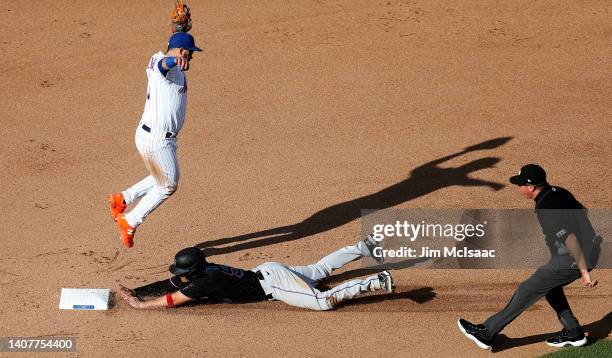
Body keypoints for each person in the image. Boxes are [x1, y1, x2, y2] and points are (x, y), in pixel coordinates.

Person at [458, 164, 601, 350]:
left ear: (531, 187)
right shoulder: (559, 192)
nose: (519, 188)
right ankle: (574, 332)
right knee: (549, 287)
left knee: (527, 289)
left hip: (573, 259)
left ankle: (486, 333)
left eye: (521, 185)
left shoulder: (546, 209)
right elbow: (583, 211)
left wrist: (584, 271)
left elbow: (571, 239)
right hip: (590, 249)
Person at [118, 236, 394, 310]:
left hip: (274, 285)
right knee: (320, 270)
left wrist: (141, 305)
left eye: (182, 271)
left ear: (192, 271)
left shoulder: (206, 280)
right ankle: (363, 246)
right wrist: (139, 290)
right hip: (269, 271)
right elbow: (171, 283)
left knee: (322, 301)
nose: (179, 274)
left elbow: (172, 299)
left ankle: (375, 281)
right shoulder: (205, 269)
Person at [108, 32, 202, 248]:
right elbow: (164, 64)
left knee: (162, 175)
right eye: (190, 53)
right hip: (157, 140)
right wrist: (173, 60)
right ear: (181, 51)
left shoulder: (168, 62)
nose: (192, 58)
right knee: (168, 184)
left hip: (151, 136)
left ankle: (121, 199)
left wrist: (181, 29)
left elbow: (169, 55)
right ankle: (130, 221)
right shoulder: (164, 66)